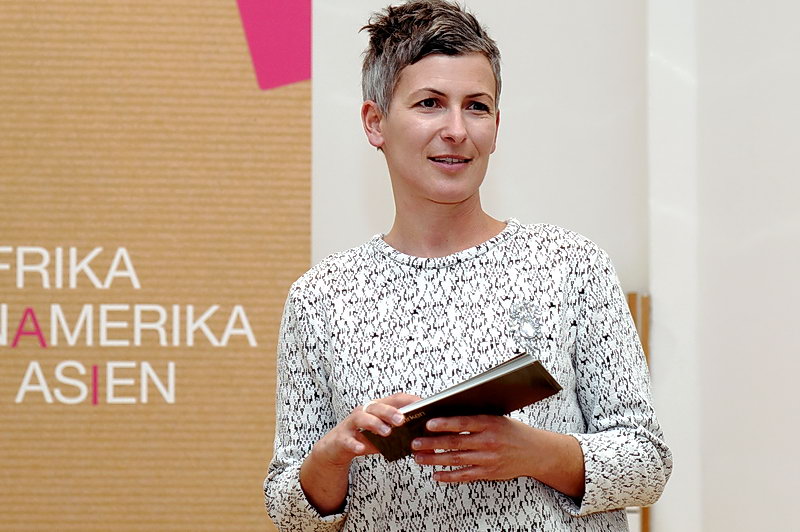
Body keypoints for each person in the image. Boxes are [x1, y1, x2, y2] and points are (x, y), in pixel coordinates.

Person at [264, 1, 672, 530]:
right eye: (430, 103)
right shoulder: (320, 298)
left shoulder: (570, 266)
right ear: (375, 122)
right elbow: (288, 512)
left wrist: (534, 452)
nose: (456, 129)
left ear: (496, 126)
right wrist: (333, 454)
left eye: (476, 107)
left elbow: (647, 464)